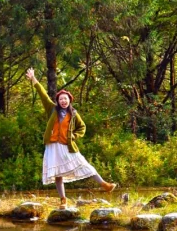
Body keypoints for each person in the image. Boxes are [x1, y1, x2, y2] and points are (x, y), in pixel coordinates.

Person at [25, 67, 115, 200]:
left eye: (65, 99)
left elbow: (82, 127)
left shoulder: (73, 114)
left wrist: (74, 136)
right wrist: (33, 78)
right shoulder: (51, 109)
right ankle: (63, 200)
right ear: (58, 101)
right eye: (61, 99)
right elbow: (42, 93)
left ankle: (104, 184)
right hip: (53, 146)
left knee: (84, 164)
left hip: (67, 146)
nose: (63, 101)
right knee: (58, 174)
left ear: (69, 100)